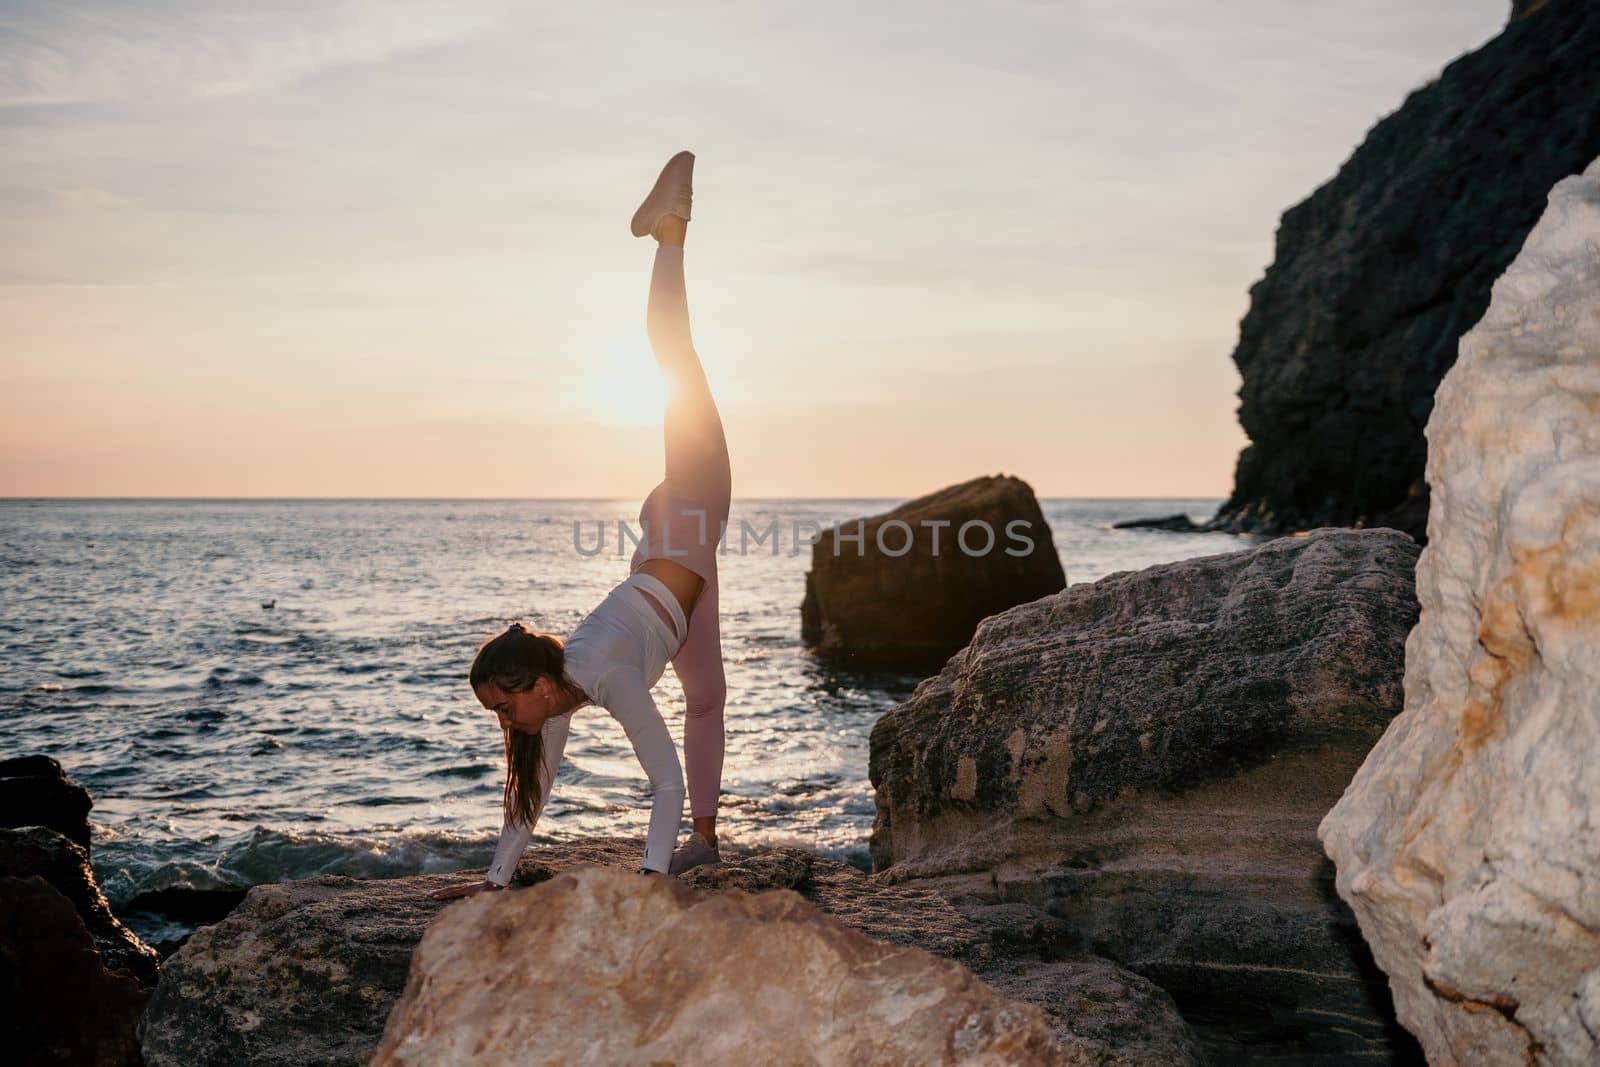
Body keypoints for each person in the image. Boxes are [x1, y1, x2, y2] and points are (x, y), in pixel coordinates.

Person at [430, 151, 731, 899]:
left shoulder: (601, 674)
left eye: (502, 704)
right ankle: (708, 842)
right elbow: (529, 801)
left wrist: (649, 885)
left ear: (532, 682)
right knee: (708, 696)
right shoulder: (557, 696)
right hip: (671, 564)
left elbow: (659, 780)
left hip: (687, 513)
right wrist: (494, 885)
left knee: (675, 363)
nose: (503, 720)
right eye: (496, 711)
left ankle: (672, 224)